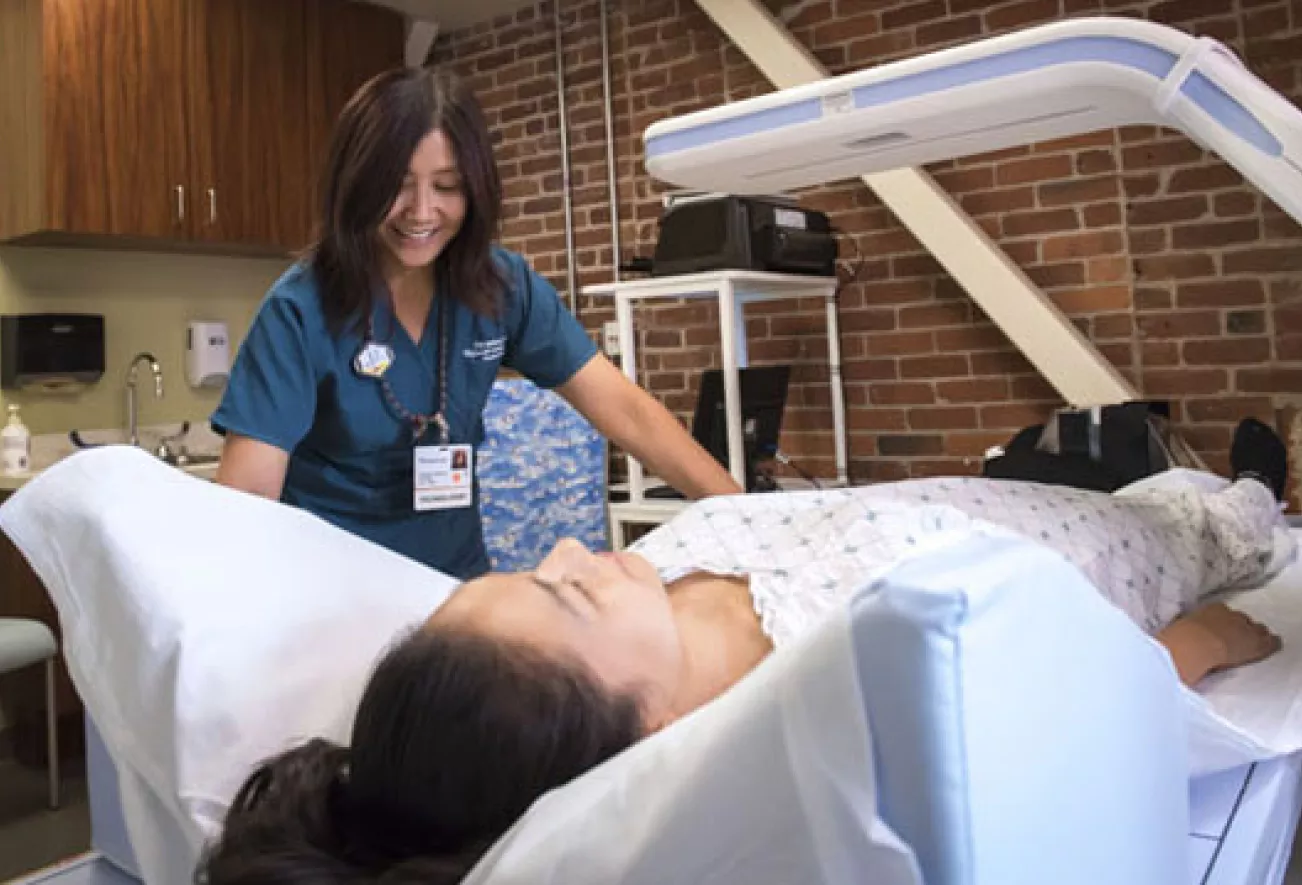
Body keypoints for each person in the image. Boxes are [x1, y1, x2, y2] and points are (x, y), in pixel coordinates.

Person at [195, 418, 1294, 885]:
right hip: (1114, 557)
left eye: (541, 566)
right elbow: (1059, 689)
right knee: (1202, 516)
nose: (582, 547)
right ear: (649, 729)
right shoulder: (812, 679)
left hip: (951, 499)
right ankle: (1256, 491)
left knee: (1090, 478)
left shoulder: (649, 613)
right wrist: (1187, 646)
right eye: (568, 591)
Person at [211, 66, 740, 580]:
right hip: (333, 593)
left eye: (447, 185)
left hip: (456, 586)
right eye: (396, 185)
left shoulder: (502, 286)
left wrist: (745, 517)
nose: (422, 211)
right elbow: (248, 502)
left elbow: (627, 411)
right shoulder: (300, 308)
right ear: (356, 186)